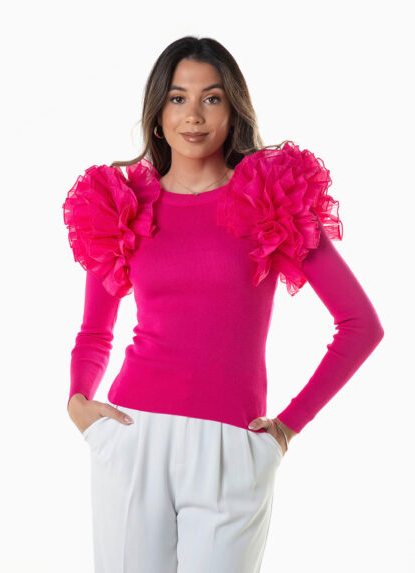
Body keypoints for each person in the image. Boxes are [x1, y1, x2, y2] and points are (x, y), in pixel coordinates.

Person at [62, 36, 384, 573]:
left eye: (211, 98)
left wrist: (287, 427)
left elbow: (360, 325)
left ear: (233, 110)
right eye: (178, 98)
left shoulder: (274, 200)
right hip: (134, 437)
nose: (194, 115)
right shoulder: (121, 205)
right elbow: (95, 333)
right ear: (158, 113)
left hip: (233, 448)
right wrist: (78, 402)